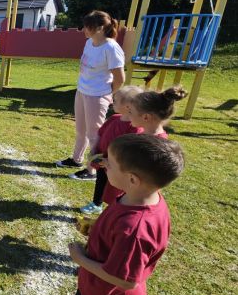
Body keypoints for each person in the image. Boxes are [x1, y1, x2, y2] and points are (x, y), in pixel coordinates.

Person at [59, 134, 184, 295]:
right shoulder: (142, 197)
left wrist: (80, 259)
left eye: (111, 164)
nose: (104, 165)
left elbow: (125, 280)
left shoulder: (135, 229)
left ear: (133, 179)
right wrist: (98, 228)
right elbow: (120, 233)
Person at [56, 11, 125, 181]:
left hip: (97, 95)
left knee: (94, 135)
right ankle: (76, 159)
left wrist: (108, 94)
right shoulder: (89, 43)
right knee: (81, 130)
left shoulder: (111, 48)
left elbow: (120, 78)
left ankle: (91, 170)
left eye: (88, 27)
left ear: (100, 28)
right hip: (82, 91)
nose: (83, 30)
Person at [101, 86, 188, 205]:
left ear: (146, 117)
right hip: (126, 190)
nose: (128, 115)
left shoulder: (157, 146)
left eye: (131, 112)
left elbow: (147, 177)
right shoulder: (142, 136)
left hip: (134, 199)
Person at [79, 85, 143, 214]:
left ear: (128, 107)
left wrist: (114, 162)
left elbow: (130, 148)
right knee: (101, 181)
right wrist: (94, 149)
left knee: (116, 187)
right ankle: (96, 203)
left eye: (115, 101)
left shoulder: (135, 127)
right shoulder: (114, 118)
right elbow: (100, 133)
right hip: (102, 159)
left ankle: (117, 208)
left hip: (118, 164)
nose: (112, 103)